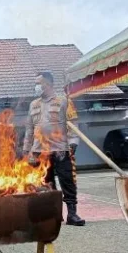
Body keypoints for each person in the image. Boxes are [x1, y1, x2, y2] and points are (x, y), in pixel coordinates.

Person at [23, 72, 86, 226]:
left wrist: (73, 142)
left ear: (49, 84)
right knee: (46, 184)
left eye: (39, 83)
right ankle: (54, 215)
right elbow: (29, 129)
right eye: (35, 83)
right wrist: (26, 150)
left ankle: (72, 214)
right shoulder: (34, 104)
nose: (36, 86)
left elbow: (73, 123)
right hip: (39, 151)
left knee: (67, 182)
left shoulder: (63, 101)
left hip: (60, 149)